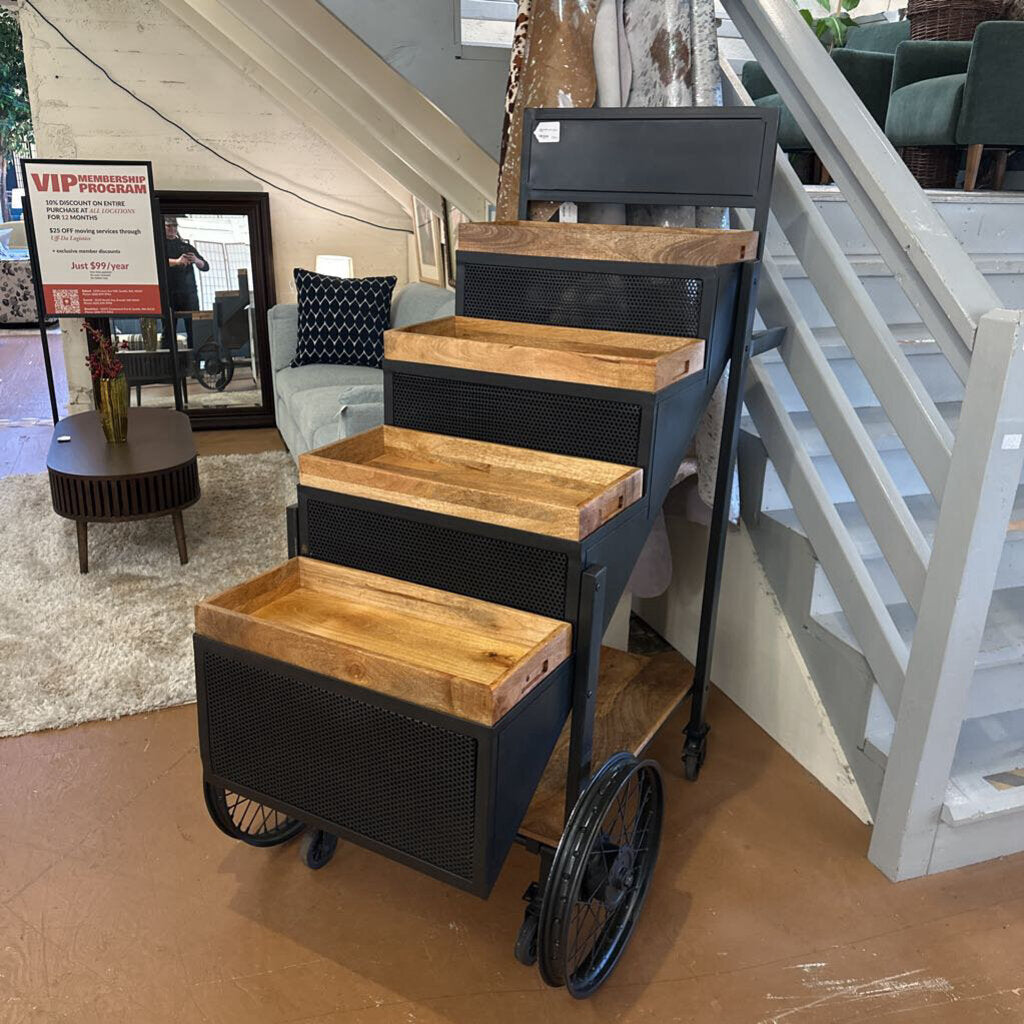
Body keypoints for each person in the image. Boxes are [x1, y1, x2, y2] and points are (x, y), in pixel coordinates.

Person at [163, 216, 209, 348]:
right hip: (169, 292)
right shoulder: (160, 245)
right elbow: (157, 262)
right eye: (169, 226)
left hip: (189, 293)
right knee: (169, 331)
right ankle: (168, 364)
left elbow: (205, 266)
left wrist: (195, 260)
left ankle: (194, 361)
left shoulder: (186, 246)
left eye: (174, 226)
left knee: (193, 330)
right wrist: (176, 262)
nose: (172, 229)